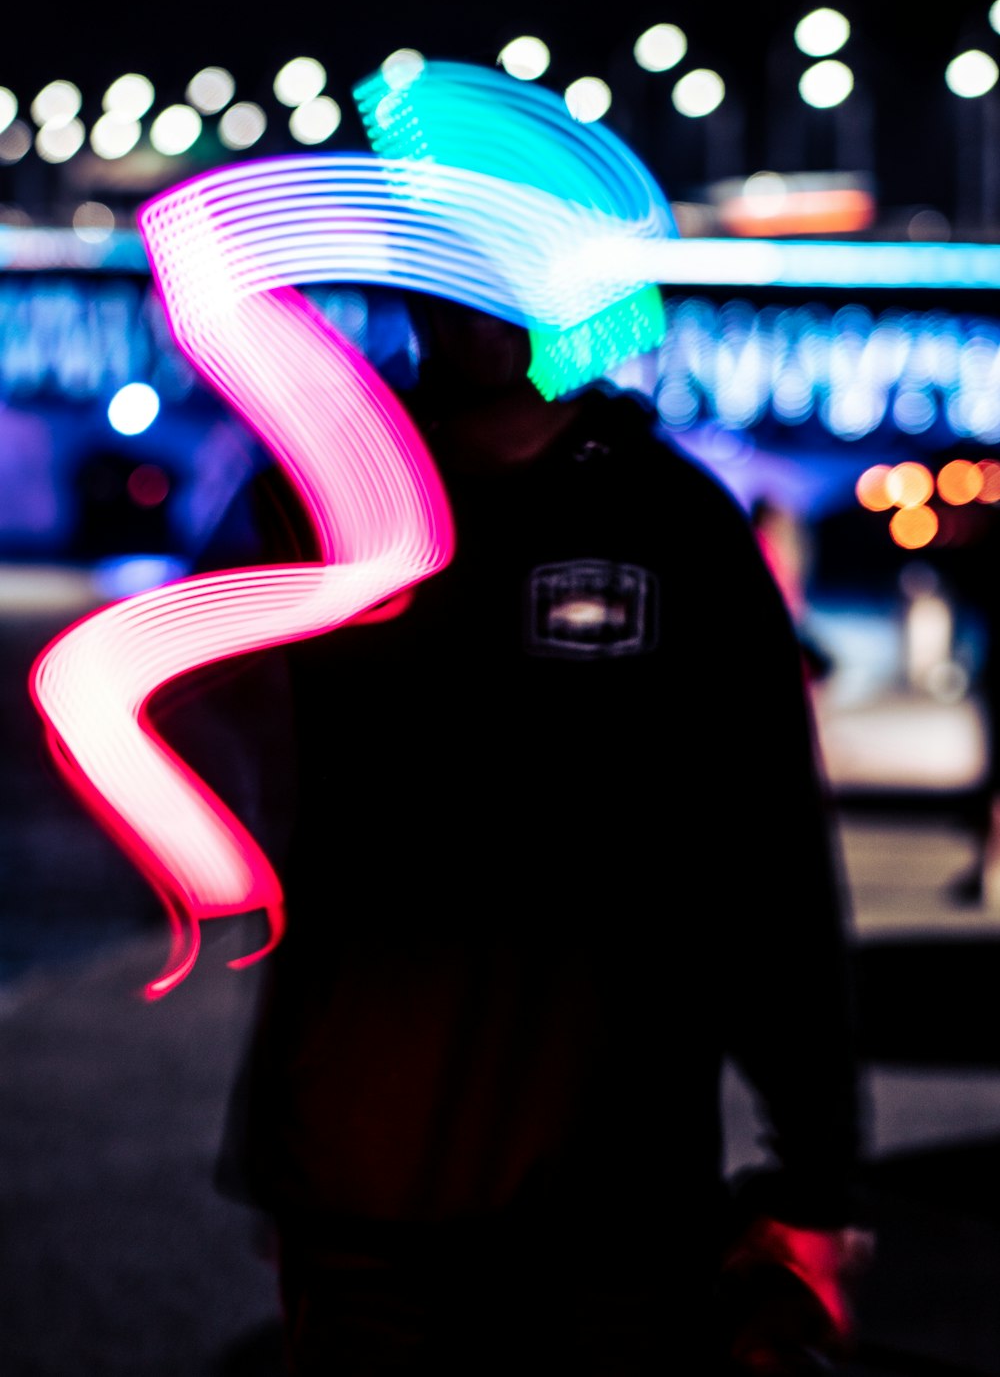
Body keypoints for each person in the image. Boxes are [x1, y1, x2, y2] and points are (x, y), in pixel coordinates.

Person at [206, 293, 871, 1375]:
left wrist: (819, 1171)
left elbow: (771, 857)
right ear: (407, 285)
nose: (474, 301)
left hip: (615, 1190)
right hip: (360, 1180)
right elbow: (200, 740)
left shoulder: (675, 524)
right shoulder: (306, 506)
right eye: (446, 263)